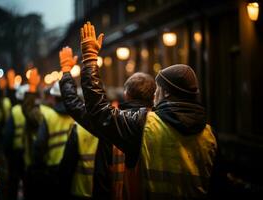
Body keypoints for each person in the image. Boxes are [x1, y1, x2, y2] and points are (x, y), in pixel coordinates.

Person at [77, 21, 217, 199]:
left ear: (165, 93)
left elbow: (100, 111)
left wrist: (89, 60)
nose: (154, 94)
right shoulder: (210, 136)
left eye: (158, 89)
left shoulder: (144, 125)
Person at [58, 47, 156, 199]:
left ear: (126, 94)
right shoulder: (161, 123)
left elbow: (74, 105)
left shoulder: (113, 123)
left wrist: (66, 71)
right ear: (153, 97)